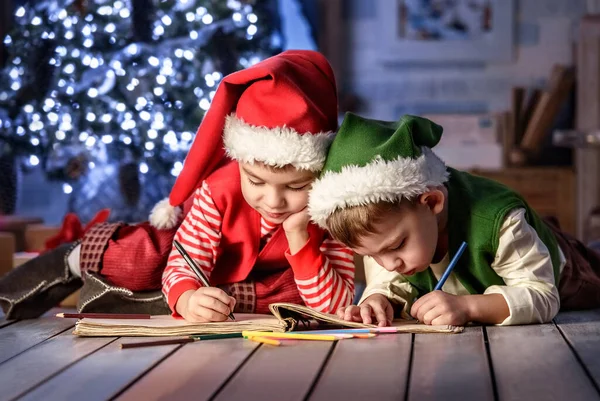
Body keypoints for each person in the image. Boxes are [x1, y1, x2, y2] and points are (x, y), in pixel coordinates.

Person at [0, 51, 355, 320]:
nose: (273, 200)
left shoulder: (328, 205)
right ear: (241, 163)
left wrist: (301, 243)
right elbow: (185, 264)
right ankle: (75, 260)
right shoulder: (220, 190)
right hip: (187, 251)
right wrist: (185, 295)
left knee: (290, 294)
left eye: (295, 186)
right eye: (256, 181)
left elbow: (338, 306)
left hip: (244, 281)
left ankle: (138, 298)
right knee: (143, 257)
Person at [307, 112, 600, 327]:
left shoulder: (499, 220)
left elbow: (543, 296)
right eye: (371, 255)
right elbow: (389, 282)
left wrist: (469, 306)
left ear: (432, 202)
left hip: (564, 268)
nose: (388, 263)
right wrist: (378, 301)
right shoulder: (384, 235)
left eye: (397, 246)